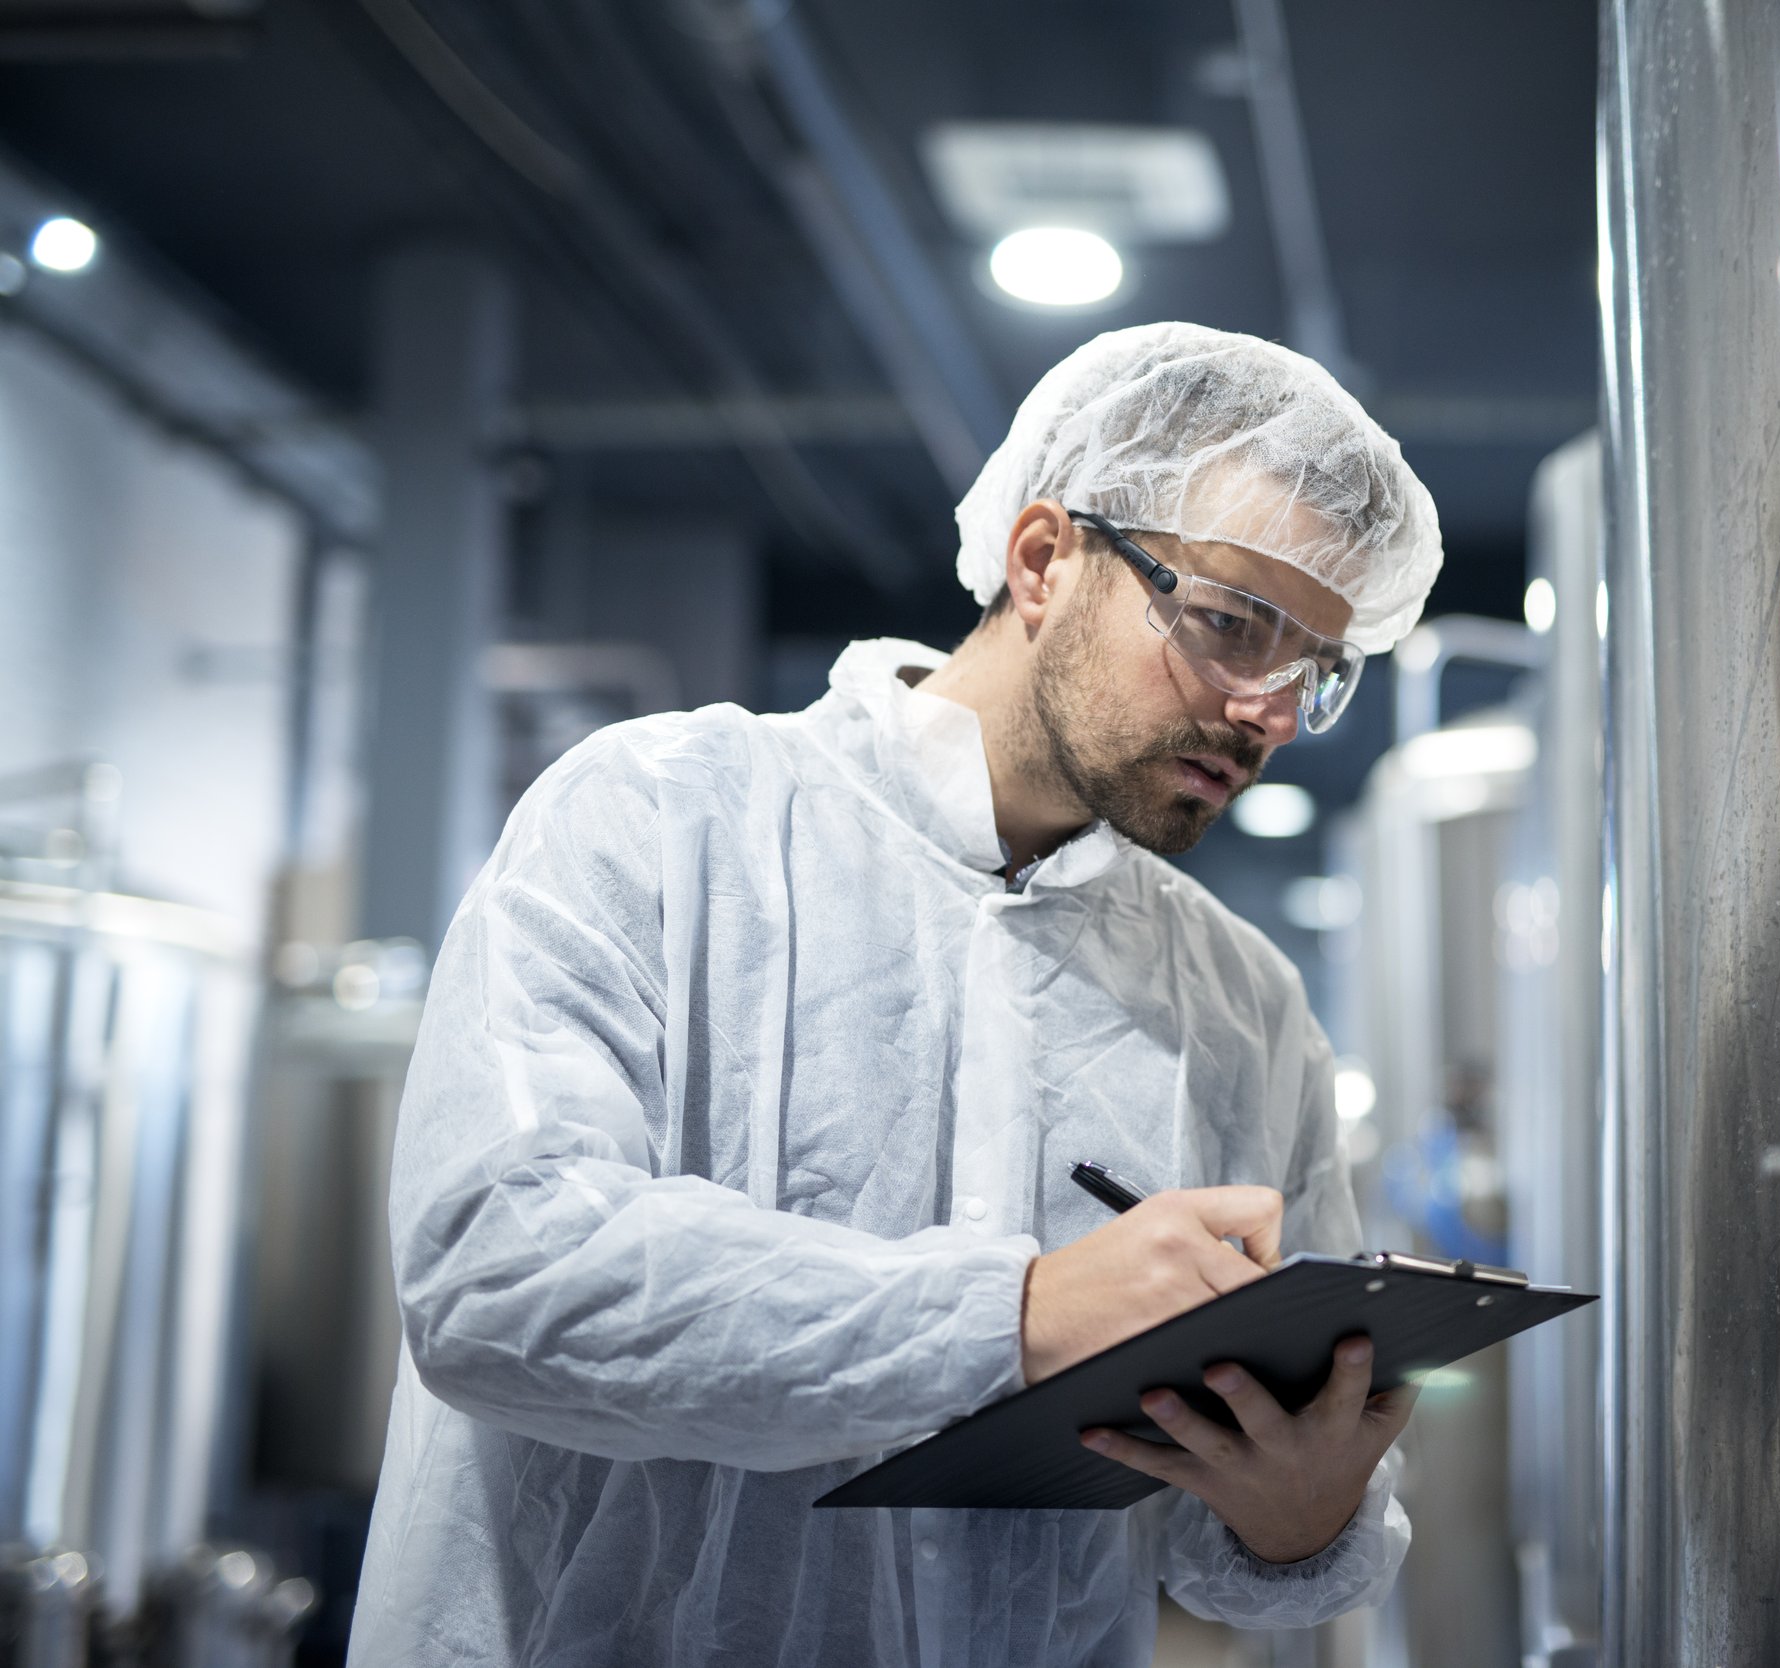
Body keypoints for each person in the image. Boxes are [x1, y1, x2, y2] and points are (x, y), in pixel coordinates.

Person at [346, 322, 1446, 1667]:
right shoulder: (660, 818)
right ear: (1045, 561)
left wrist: (1298, 1511)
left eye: (1313, 673)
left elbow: (1239, 1576)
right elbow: (498, 1278)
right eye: (1229, 627)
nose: (1267, 712)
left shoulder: (1238, 1004)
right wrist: (1020, 1317)